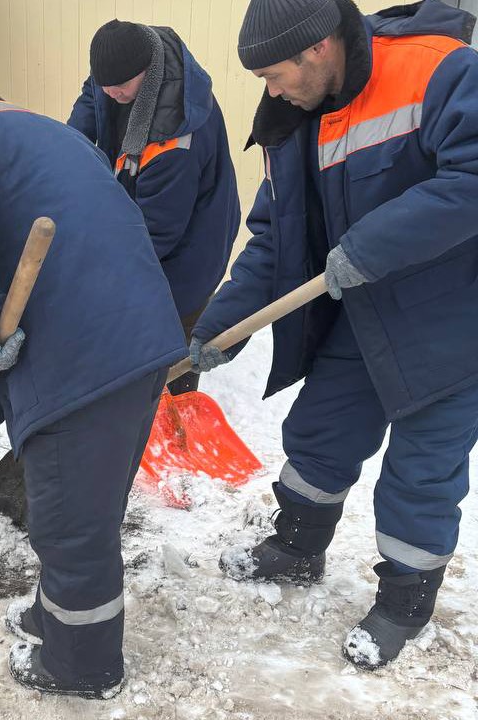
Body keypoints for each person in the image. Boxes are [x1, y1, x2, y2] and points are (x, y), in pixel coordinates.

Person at [188, 0, 478, 669]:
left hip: (451, 320)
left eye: (273, 74)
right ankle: (296, 548)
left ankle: (405, 602)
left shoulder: (438, 71)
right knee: (321, 430)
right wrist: (221, 325)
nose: (271, 91)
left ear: (317, 48)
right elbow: (274, 236)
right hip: (364, 309)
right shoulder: (296, 120)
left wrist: (371, 246)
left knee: (421, 471)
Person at [0, 75, 187, 698]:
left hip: (82, 358)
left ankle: (82, 665)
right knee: (89, 505)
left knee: (71, 526)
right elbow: (16, 307)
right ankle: (58, 619)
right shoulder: (44, 134)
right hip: (138, 340)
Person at [68, 19, 240, 395]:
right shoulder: (122, 71)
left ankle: (175, 420)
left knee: (172, 342)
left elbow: (154, 234)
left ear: (146, 71)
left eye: (121, 86)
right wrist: (72, 150)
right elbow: (92, 97)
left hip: (191, 247)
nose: (112, 93)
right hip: (147, 216)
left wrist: (100, 275)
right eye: (106, 85)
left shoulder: (175, 133)